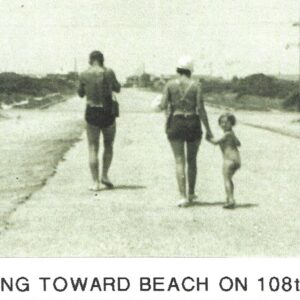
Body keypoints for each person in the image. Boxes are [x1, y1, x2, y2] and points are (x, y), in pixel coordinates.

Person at [159, 56, 213, 207]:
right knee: (192, 160)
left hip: (175, 122)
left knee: (179, 160)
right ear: (190, 70)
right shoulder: (197, 85)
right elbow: (201, 109)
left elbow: (163, 105)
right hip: (192, 123)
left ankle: (182, 196)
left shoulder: (169, 85)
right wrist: (208, 129)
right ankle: (191, 193)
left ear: (178, 69)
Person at [78, 50, 121, 191]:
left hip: (91, 111)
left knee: (92, 147)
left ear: (90, 60)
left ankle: (95, 182)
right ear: (102, 60)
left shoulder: (84, 74)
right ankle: (105, 176)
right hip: (107, 112)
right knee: (108, 145)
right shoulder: (109, 72)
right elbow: (117, 88)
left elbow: (80, 93)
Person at [207, 113, 241, 209]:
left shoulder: (227, 134)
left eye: (226, 122)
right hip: (236, 159)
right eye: (221, 122)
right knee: (229, 179)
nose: (223, 124)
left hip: (229, 160)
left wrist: (208, 138)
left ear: (231, 123)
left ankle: (230, 200)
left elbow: (216, 142)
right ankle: (230, 197)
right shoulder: (232, 133)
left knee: (226, 179)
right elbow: (239, 144)